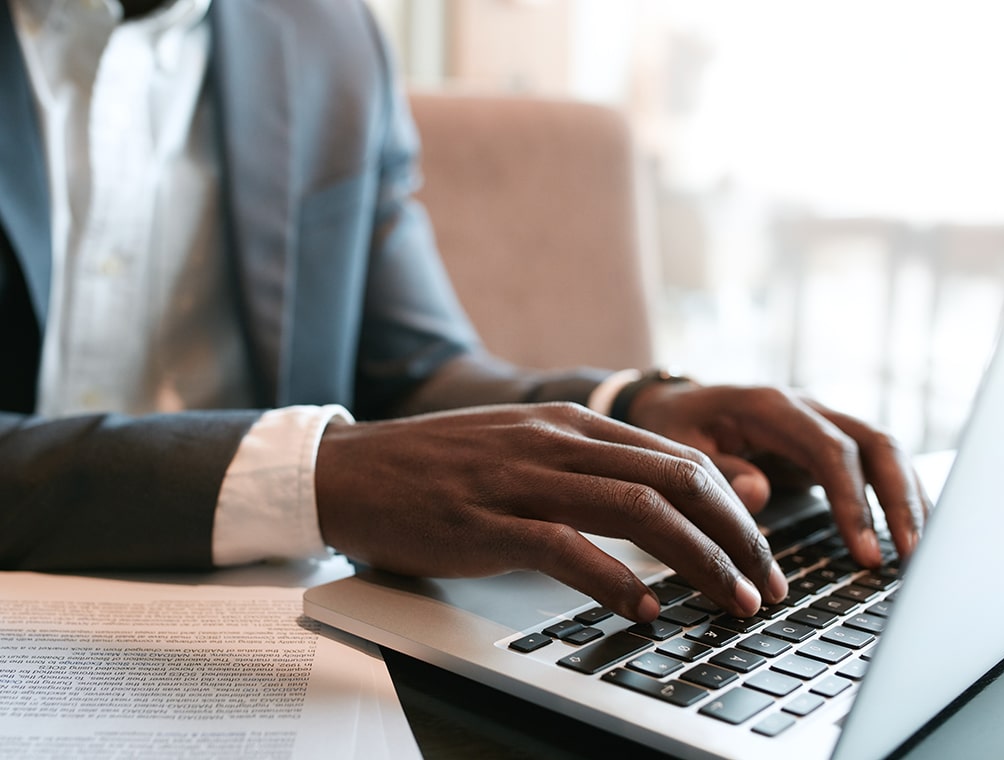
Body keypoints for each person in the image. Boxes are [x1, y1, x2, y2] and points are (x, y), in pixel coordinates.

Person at [0, 0, 928, 625]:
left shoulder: (325, 37)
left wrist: (630, 408)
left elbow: (417, 368)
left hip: (276, 632)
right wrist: (314, 476)